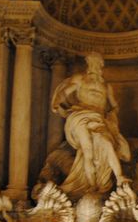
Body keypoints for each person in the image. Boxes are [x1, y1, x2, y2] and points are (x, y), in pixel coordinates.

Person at [50, 52, 131, 198]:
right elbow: (65, 92)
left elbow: (114, 106)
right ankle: (92, 187)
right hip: (80, 115)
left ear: (101, 65)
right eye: (92, 61)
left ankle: (119, 177)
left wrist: (112, 116)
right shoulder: (80, 79)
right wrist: (58, 102)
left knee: (106, 143)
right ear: (88, 63)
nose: (95, 64)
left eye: (98, 62)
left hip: (98, 118)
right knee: (88, 150)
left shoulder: (106, 86)